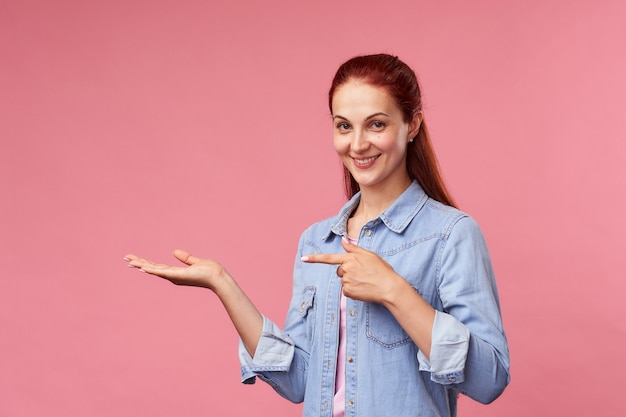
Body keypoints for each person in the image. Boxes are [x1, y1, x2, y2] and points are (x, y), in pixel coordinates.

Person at [125, 53, 510, 417]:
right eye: (344, 126)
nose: (357, 144)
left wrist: (394, 290)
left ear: (412, 125)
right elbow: (298, 382)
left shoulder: (450, 235)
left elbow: (489, 379)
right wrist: (221, 283)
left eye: (376, 124)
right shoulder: (316, 242)